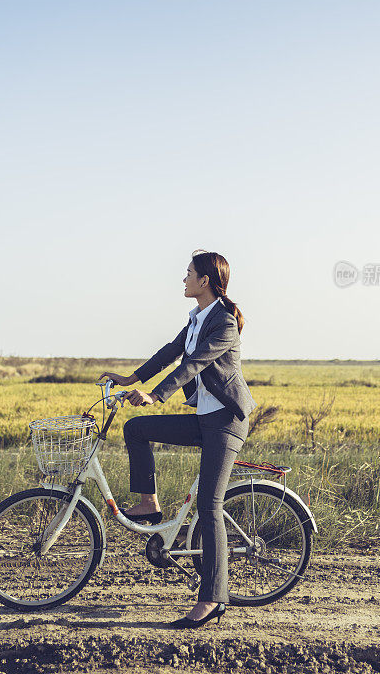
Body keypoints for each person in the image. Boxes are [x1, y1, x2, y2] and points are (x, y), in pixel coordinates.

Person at [101, 249, 257, 629]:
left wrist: (156, 395)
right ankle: (148, 503)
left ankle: (212, 599)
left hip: (225, 422)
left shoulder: (222, 323)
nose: (183, 279)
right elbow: (171, 353)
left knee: (210, 505)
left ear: (205, 281)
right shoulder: (196, 318)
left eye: (188, 274)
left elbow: (194, 364)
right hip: (203, 419)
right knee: (136, 428)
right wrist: (132, 379)